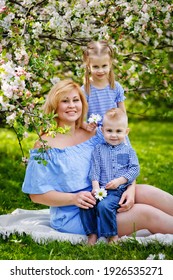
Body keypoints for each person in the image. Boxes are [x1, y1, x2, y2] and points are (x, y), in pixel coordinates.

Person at [22, 79, 173, 240]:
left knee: (147, 192)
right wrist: (73, 198)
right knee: (144, 213)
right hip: (78, 213)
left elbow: (127, 164)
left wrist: (130, 189)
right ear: (54, 106)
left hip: (108, 195)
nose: (72, 105)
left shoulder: (95, 134)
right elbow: (36, 195)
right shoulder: (45, 146)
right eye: (65, 101)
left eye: (76, 100)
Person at [80, 108, 140, 244]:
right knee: (86, 204)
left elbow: (135, 169)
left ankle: (112, 236)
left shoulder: (128, 150)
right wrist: (95, 187)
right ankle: (92, 234)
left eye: (119, 131)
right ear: (102, 131)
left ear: (126, 132)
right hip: (101, 189)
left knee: (104, 206)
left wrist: (120, 181)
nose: (114, 135)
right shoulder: (98, 150)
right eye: (109, 131)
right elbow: (94, 170)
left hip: (118, 191)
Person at [81, 40, 126, 131]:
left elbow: (122, 114)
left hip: (114, 133)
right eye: (96, 67)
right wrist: (86, 126)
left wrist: (123, 130)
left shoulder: (116, 87)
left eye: (104, 66)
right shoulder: (85, 90)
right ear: (89, 66)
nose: (100, 70)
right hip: (95, 134)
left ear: (110, 64)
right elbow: (82, 118)